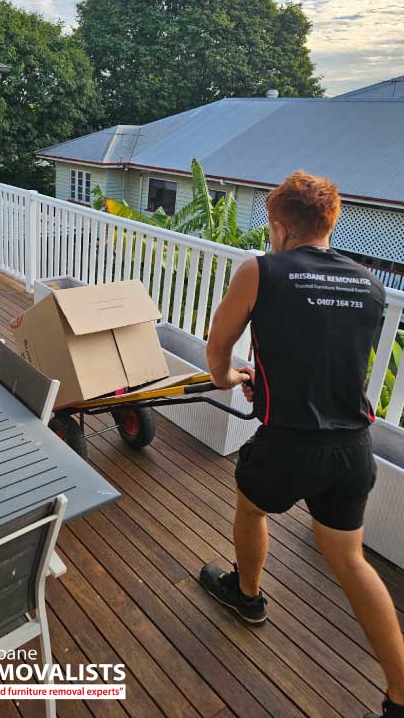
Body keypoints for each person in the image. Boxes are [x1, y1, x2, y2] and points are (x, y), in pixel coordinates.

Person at [200, 170, 404, 718]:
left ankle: (246, 597)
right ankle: (401, 697)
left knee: (250, 507)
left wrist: (224, 375)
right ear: (329, 222)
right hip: (353, 447)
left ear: (280, 226)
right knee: (352, 561)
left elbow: (219, 343)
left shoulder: (261, 270)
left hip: (290, 441)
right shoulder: (370, 283)